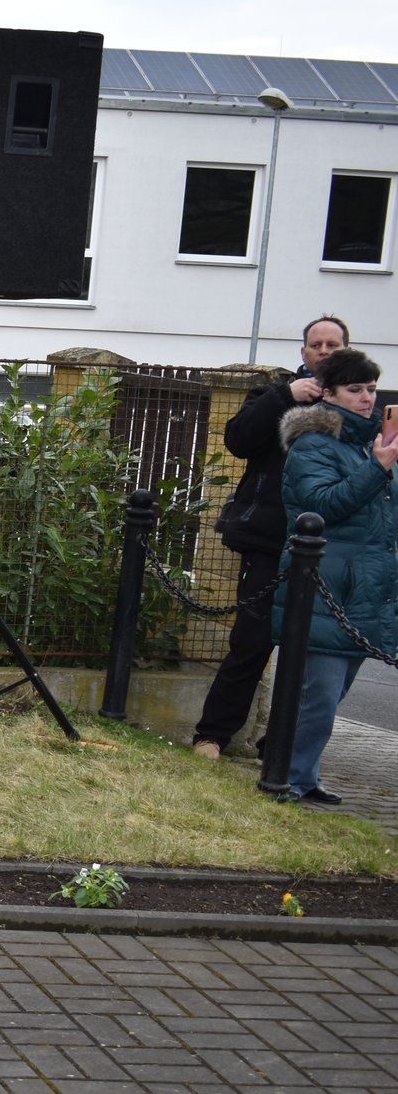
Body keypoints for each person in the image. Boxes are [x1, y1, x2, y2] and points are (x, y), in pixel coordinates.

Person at [192, 315, 349, 760]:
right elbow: (238, 441)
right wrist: (285, 397)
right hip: (270, 543)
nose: (324, 351)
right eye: (316, 344)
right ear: (303, 353)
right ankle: (212, 735)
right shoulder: (273, 394)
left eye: (333, 344)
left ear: (346, 351)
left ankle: (280, 744)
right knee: (251, 643)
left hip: (331, 549)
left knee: (315, 657)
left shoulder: (355, 406)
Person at [271, 347, 396, 804]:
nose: (367, 398)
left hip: (363, 590)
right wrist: (377, 468)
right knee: (317, 695)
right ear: (328, 393)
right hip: (323, 588)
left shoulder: (371, 444)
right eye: (356, 390)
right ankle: (287, 777)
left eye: (371, 389)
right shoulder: (313, 444)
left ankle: (302, 773)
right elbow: (321, 507)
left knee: (333, 694)